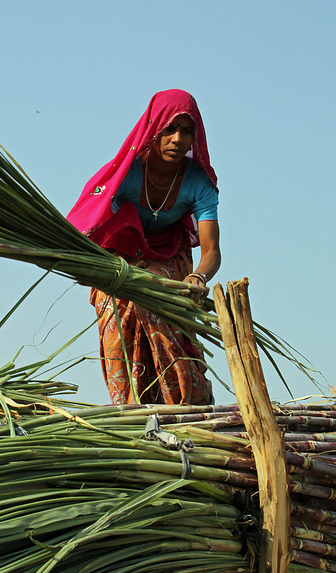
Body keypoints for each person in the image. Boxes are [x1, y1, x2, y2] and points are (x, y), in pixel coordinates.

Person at [67, 90, 221, 405]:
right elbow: (92, 216)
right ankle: (129, 410)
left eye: (186, 131)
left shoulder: (198, 183)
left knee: (158, 303)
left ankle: (181, 405)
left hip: (169, 257)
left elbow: (211, 251)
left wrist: (199, 277)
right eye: (169, 129)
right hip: (121, 259)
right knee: (115, 308)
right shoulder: (126, 173)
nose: (178, 139)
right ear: (154, 129)